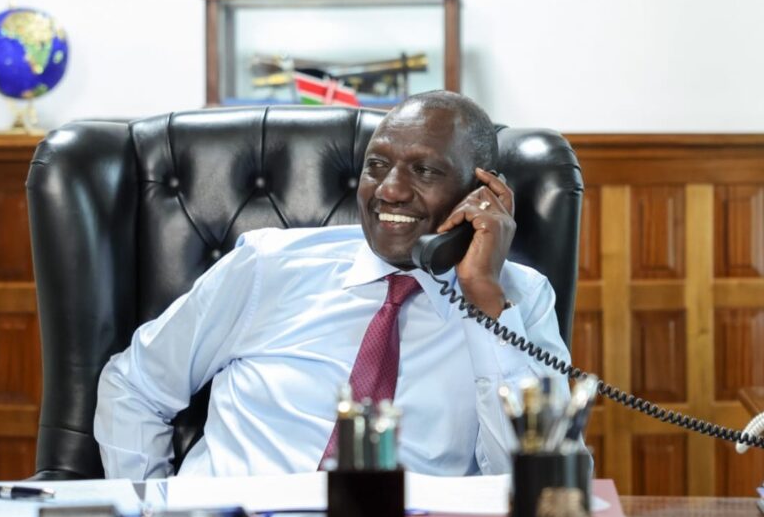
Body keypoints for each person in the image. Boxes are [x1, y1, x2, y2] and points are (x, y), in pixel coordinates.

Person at [94, 92, 570, 479]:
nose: (389, 190)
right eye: (376, 165)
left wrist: (485, 299)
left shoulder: (520, 299)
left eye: (424, 170)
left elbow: (540, 478)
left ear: (483, 194)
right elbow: (133, 386)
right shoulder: (267, 266)